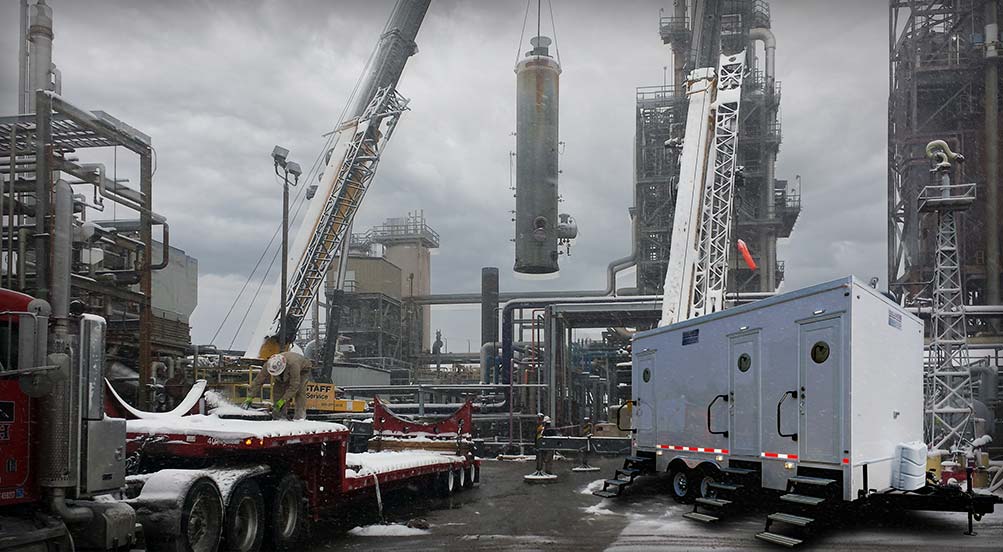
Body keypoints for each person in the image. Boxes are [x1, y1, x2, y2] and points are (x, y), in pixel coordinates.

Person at [243, 351, 313, 420]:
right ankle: (279, 415)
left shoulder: (293, 365)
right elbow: (258, 380)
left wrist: (283, 400)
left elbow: (294, 386)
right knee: (278, 389)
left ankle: (300, 417)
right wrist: (250, 397)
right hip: (287, 367)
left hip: (303, 370)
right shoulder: (269, 364)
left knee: (299, 391)